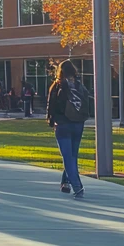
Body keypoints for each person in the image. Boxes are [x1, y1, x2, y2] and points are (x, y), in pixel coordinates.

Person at [47, 61, 90, 198]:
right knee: (72, 156)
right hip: (78, 124)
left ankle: (78, 187)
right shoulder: (80, 86)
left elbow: (51, 104)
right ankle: (65, 182)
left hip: (63, 124)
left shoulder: (58, 85)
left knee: (67, 157)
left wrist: (52, 121)